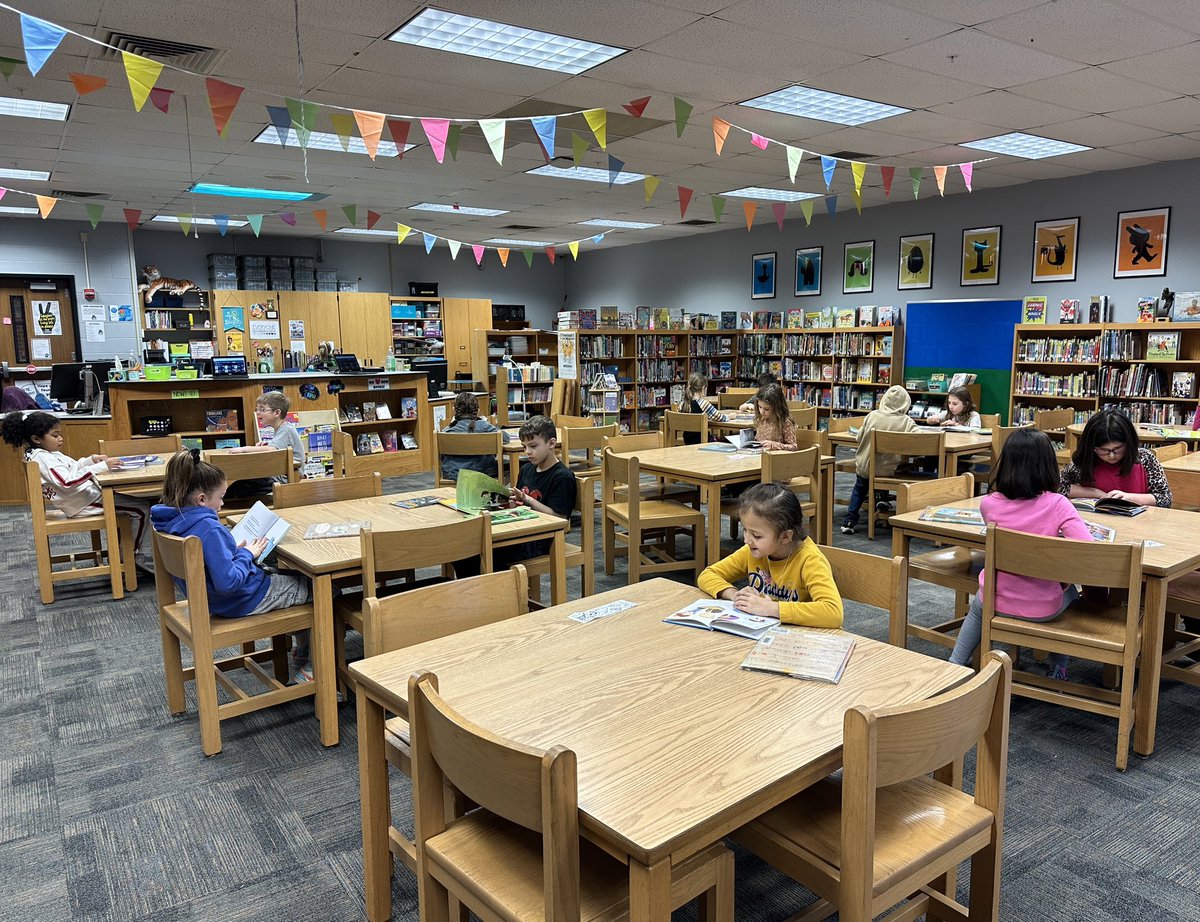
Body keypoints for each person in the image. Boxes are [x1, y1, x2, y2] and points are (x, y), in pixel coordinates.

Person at [150, 450, 314, 680]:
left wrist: (234, 552)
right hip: (240, 599)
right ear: (202, 500)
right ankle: (311, 666)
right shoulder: (209, 528)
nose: (223, 503)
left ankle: (302, 652)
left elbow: (211, 562)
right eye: (221, 496)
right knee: (321, 589)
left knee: (292, 575)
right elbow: (229, 583)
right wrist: (246, 553)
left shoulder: (169, 519)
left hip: (211, 600)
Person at [950, 429, 1092, 680]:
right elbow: (1087, 549)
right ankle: (1059, 665)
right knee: (1072, 592)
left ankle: (955, 663)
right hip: (1043, 607)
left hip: (995, 599)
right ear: (1048, 466)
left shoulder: (988, 503)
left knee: (976, 607)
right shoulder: (1059, 504)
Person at [2, 409, 154, 567]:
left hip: (82, 499)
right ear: (36, 439)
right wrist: (101, 466)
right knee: (141, 509)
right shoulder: (43, 458)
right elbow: (67, 481)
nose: (60, 439)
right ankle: (133, 556)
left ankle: (130, 552)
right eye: (55, 435)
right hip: (83, 504)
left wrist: (91, 460)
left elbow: (73, 467)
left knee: (141, 503)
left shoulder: (45, 453)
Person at [698, 482, 842, 626]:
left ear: (785, 536)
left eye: (757, 536)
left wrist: (771, 608)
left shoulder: (810, 560)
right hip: (764, 630)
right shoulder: (753, 550)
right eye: (745, 530)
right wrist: (735, 595)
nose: (747, 540)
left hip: (799, 636)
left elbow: (833, 613)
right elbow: (708, 575)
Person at [454, 415, 576, 576]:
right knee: (462, 547)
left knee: (478, 553)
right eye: (524, 447)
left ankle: (502, 591)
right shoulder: (527, 469)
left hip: (542, 539)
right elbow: (519, 504)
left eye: (533, 446)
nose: (528, 452)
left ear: (551, 443)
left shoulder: (562, 477)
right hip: (521, 530)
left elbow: (560, 518)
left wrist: (527, 499)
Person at [840, 384, 919, 535]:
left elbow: (859, 437)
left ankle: (849, 521)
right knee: (888, 470)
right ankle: (883, 502)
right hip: (886, 469)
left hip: (864, 466)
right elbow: (918, 438)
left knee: (859, 489)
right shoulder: (906, 421)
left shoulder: (872, 415)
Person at [1059, 410, 1171, 508]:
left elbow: (1165, 499)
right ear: (1092, 447)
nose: (1111, 455)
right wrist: (1096, 493)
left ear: (1128, 443)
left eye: (1117, 449)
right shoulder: (1086, 461)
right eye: (1104, 450)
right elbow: (1057, 486)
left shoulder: (1145, 458)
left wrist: (1128, 497)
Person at [226, 391, 303, 497]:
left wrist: (243, 449)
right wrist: (268, 443)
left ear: (277, 413)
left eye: (262, 409)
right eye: (257, 409)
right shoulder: (282, 428)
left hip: (285, 477)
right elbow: (277, 446)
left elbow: (272, 449)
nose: (258, 412)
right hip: (278, 474)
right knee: (238, 486)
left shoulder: (286, 429)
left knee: (236, 490)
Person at [440, 392, 509, 480]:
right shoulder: (484, 426)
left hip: (453, 474)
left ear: (454, 410)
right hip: (483, 473)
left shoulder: (446, 431)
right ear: (478, 410)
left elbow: (442, 457)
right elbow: (506, 438)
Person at [678, 372, 726, 445]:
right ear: (703, 388)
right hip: (702, 440)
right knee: (724, 442)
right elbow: (719, 417)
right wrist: (730, 416)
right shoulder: (703, 403)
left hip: (688, 441)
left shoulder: (683, 404)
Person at [752, 383, 796, 452]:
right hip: (761, 455)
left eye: (767, 409)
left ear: (776, 407)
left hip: (777, 459)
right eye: (760, 407)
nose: (762, 412)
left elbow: (793, 447)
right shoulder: (761, 419)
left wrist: (774, 445)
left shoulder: (785, 422)